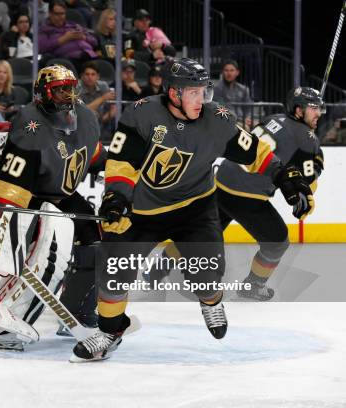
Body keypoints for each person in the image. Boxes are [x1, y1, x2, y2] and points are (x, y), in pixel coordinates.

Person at [70, 58, 314, 362]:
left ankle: (211, 303)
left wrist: (285, 177)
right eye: (194, 92)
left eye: (204, 91)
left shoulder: (218, 119)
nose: (203, 99)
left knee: (207, 275)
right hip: (143, 211)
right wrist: (116, 198)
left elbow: (255, 152)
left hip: (194, 210)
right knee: (114, 271)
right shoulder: (141, 113)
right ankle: (109, 331)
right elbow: (122, 163)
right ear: (174, 93)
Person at [0, 65, 106, 349]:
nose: (67, 96)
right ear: (43, 93)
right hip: (30, 193)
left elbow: (97, 157)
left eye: (70, 88)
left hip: (62, 194)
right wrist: (6, 233)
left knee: (95, 236)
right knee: (51, 246)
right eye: (59, 90)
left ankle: (76, 312)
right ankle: (2, 317)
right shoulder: (30, 122)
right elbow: (10, 190)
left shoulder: (86, 118)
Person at [214, 87, 323, 300]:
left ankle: (157, 269)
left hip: (221, 180)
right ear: (299, 110)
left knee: (196, 233)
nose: (318, 113)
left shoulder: (273, 118)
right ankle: (253, 286)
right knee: (277, 242)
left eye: (319, 108)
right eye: (313, 108)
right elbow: (306, 182)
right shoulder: (307, 138)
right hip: (247, 194)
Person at [38, 0, 97, 72]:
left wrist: (84, 37)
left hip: (89, 55)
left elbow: (94, 42)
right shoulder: (45, 30)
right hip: (69, 60)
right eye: (57, 14)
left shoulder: (73, 25)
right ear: (50, 14)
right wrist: (65, 38)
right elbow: (42, 48)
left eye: (62, 14)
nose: (60, 17)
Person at [77, 60, 116, 141]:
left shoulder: (103, 86)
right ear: (82, 76)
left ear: (98, 76)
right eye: (87, 74)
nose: (90, 77)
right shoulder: (77, 87)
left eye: (93, 74)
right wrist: (102, 98)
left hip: (101, 123)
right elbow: (82, 111)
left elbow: (111, 109)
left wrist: (110, 114)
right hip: (81, 125)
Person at [213, 60, 253, 130]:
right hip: (225, 121)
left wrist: (247, 117)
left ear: (237, 72)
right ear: (223, 72)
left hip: (241, 120)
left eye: (232, 70)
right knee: (245, 128)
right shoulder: (217, 89)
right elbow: (219, 108)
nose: (229, 73)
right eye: (226, 70)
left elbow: (248, 108)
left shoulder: (243, 89)